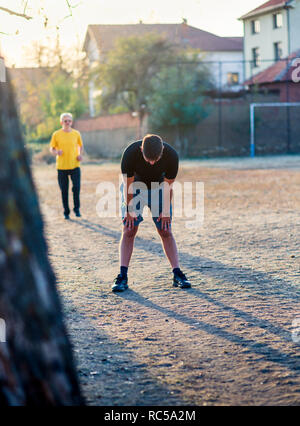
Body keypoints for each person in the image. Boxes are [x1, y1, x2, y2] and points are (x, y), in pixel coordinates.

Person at [112, 134, 191, 292]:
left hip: (160, 188)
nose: (152, 162)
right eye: (148, 159)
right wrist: (129, 210)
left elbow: (168, 187)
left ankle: (177, 274)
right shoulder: (130, 154)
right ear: (141, 149)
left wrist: (165, 210)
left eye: (156, 159)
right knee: (129, 229)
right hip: (134, 188)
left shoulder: (171, 156)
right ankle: (122, 276)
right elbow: (127, 186)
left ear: (162, 150)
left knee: (165, 229)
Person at [50, 113, 83, 220]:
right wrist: (56, 152)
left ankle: (77, 210)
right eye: (65, 121)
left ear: (71, 122)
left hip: (75, 166)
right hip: (61, 167)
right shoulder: (56, 134)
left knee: (76, 188)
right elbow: (52, 148)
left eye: (69, 121)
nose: (67, 122)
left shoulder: (76, 133)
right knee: (64, 190)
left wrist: (79, 155)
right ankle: (66, 212)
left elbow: (80, 146)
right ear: (61, 122)